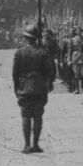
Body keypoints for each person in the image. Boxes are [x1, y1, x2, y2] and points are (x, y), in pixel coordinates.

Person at [12, 24, 55, 154]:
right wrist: (48, 83)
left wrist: (16, 89)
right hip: (39, 88)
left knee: (25, 116)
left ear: (25, 37)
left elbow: (15, 73)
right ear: (36, 37)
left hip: (24, 88)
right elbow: (50, 70)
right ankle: (35, 144)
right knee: (37, 117)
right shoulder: (43, 52)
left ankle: (26, 145)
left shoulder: (19, 52)